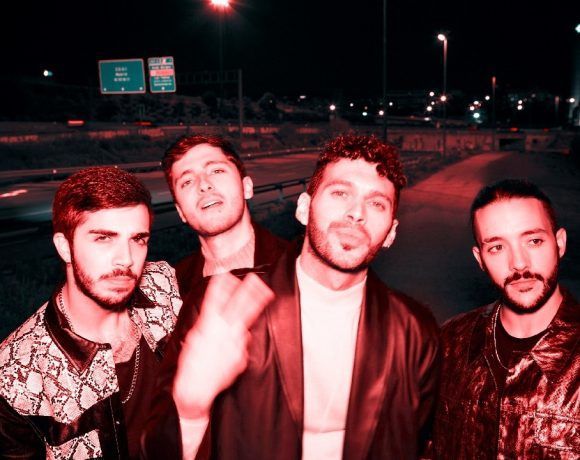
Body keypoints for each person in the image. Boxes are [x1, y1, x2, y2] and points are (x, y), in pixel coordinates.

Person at [142, 134, 440, 459]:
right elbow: (156, 448)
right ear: (303, 208)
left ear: (391, 232)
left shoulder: (415, 331)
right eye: (340, 193)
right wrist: (190, 410)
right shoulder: (217, 305)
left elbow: (414, 441)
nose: (357, 212)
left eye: (377, 203)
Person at [0, 167, 182, 459]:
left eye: (138, 239)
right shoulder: (15, 376)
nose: (126, 259)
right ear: (65, 248)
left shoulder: (164, 285)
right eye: (103, 238)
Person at [432, 179, 579, 459]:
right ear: (480, 259)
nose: (519, 263)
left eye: (534, 241)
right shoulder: (449, 342)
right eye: (497, 247)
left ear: (559, 243)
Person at [161, 134, 288, 300]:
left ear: (246, 187)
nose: (203, 185)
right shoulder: (170, 291)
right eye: (187, 181)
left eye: (216, 171)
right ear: (180, 211)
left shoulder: (296, 267)